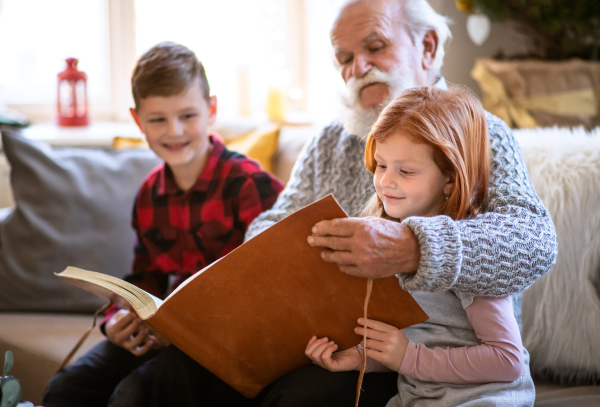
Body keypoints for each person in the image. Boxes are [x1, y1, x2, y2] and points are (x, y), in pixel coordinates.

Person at [248, 0, 557, 405]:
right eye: (344, 58)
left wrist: (413, 248)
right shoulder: (330, 138)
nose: (357, 68)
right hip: (352, 342)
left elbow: (535, 240)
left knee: (298, 394)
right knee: (185, 370)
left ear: (427, 45)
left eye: (374, 48)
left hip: (433, 365)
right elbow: (271, 223)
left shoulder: (477, 133)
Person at [43, 42, 284, 407]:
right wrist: (117, 318)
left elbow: (278, 285)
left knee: (133, 396)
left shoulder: (250, 184)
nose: (174, 131)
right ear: (138, 121)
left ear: (211, 110)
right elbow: (146, 278)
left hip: (232, 344)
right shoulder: (148, 196)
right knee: (66, 388)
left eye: (187, 115)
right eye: (157, 119)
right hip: (169, 335)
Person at [305, 86, 535, 407]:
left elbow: (507, 360)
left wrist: (408, 358)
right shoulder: (384, 246)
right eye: (381, 165)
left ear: (450, 179)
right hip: (416, 397)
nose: (385, 181)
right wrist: (359, 358)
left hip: (483, 400)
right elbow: (416, 343)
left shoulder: (467, 252)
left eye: (406, 171)